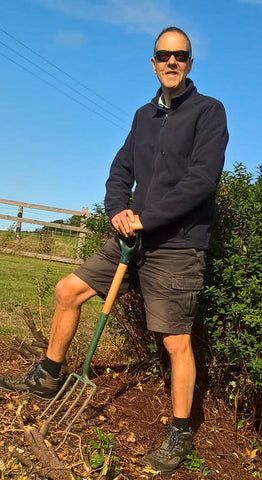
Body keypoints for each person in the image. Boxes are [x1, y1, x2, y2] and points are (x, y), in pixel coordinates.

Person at [0, 26, 228, 474]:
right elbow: (121, 169)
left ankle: (180, 433)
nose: (171, 62)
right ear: (153, 62)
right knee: (68, 290)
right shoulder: (144, 116)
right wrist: (117, 211)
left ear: (190, 63)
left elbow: (201, 181)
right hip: (131, 238)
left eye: (180, 56)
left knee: (175, 340)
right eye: (163, 55)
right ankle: (47, 377)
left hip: (177, 244)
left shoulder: (208, 111)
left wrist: (148, 218)